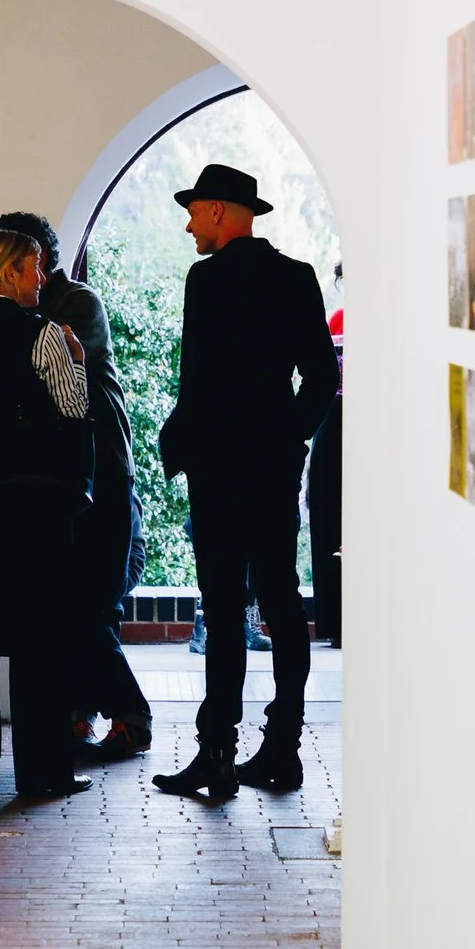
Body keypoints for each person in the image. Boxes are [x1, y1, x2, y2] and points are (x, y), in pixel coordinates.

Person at [151, 164, 338, 799]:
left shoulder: (205, 280)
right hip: (272, 467)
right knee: (283, 604)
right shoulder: (298, 278)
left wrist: (186, 445)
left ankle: (218, 754)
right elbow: (318, 378)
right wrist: (290, 438)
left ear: (226, 213)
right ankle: (283, 747)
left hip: (219, 469)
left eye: (197, 211)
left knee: (224, 609)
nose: (190, 222)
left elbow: (196, 381)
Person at [0, 211, 154, 763]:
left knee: (88, 605)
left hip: (102, 474)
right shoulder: (30, 314)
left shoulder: (74, 305)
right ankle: (80, 711)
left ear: (33, 263)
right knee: (70, 601)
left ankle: (131, 715)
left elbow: (45, 378)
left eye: (16, 262)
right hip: (67, 479)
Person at [0, 226, 97, 802]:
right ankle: (43, 771)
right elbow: (74, 415)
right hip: (35, 511)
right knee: (40, 646)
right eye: (35, 267)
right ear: (10, 273)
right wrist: (76, 362)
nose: (41, 278)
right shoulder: (47, 336)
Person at [309, 264, 346, 646]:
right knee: (325, 516)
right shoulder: (335, 320)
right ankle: (332, 620)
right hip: (331, 425)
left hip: (368, 427)